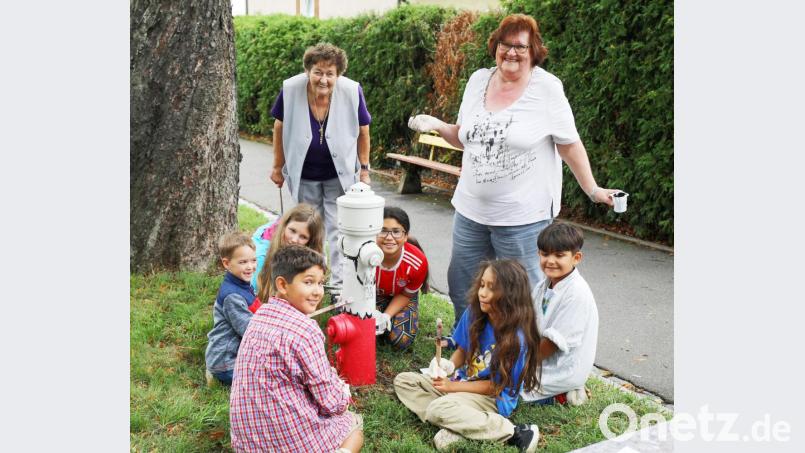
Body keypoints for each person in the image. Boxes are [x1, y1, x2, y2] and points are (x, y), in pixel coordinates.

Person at [407, 14, 622, 327]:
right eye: (505, 45)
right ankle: (468, 354)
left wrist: (593, 189)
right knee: (463, 286)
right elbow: (468, 137)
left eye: (520, 46)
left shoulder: (547, 89)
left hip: (523, 218)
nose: (511, 52)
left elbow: (569, 145)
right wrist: (438, 125)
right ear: (495, 46)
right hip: (471, 212)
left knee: (523, 295)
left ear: (533, 50)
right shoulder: (478, 80)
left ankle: (520, 362)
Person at [394, 260, 541, 452]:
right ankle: (458, 425)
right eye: (482, 285)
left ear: (511, 295)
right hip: (464, 382)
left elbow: (495, 387)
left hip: (492, 398)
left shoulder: (517, 339)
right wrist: (449, 365)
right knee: (404, 381)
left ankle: (513, 431)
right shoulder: (475, 312)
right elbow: (463, 350)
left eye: (492, 288)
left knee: (439, 408)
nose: (482, 293)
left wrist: (453, 386)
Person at [229, 245, 363, 453]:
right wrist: (343, 394)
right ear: (282, 284)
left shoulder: (260, 315)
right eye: (308, 282)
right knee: (354, 427)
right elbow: (330, 402)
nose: (318, 291)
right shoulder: (306, 330)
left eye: (320, 283)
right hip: (291, 443)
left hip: (247, 445)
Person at [269, 42, 372, 290]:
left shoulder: (351, 91)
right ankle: (308, 281)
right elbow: (279, 127)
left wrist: (365, 170)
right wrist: (277, 166)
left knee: (337, 229)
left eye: (330, 73)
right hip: (303, 174)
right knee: (307, 230)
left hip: (340, 175)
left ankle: (336, 286)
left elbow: (363, 131)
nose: (323, 79)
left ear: (338, 75)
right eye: (318, 72)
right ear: (308, 71)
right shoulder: (291, 88)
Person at [521, 223, 598, 406]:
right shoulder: (544, 284)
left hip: (560, 370)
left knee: (502, 389)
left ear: (576, 258)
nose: (550, 260)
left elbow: (552, 344)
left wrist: (518, 368)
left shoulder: (577, 293)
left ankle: (561, 395)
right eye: (545, 254)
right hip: (538, 358)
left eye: (559, 255)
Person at [204, 232, 261, 386]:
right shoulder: (232, 296)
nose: (250, 267)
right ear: (226, 264)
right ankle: (217, 375)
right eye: (243, 262)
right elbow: (250, 331)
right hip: (226, 361)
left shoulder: (241, 284)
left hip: (236, 354)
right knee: (268, 377)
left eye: (253, 260)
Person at [372, 206, 430, 350]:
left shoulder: (418, 262)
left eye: (396, 232)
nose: (389, 237)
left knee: (399, 340)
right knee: (360, 331)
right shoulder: (364, 254)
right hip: (373, 296)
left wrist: (385, 316)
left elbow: (406, 294)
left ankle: (390, 318)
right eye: (383, 230)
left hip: (402, 296)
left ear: (405, 236)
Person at [251, 203, 324, 296]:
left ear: (310, 242)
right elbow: (251, 296)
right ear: (284, 226)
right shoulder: (261, 257)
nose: (294, 240)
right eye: (292, 231)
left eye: (303, 237)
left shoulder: (310, 257)